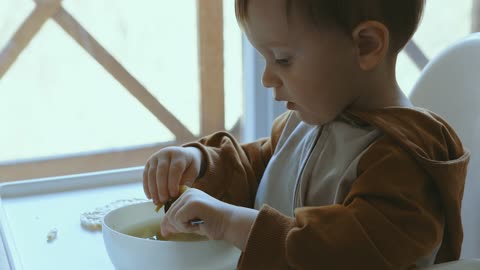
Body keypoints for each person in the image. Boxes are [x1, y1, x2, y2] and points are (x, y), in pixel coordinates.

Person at [143, 0, 470, 269]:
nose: (267, 78)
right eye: (265, 58)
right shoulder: (307, 121)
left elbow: (346, 254)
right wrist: (200, 162)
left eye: (282, 59)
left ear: (366, 45)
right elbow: (258, 167)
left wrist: (233, 224)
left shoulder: (404, 164)